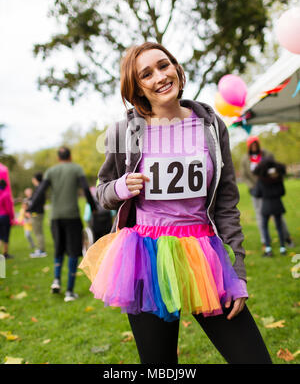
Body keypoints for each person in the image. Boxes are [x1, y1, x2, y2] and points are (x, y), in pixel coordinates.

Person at [79, 42, 272, 364]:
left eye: (164, 65)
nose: (160, 76)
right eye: (146, 74)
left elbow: (225, 200)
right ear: (137, 88)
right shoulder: (124, 132)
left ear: (177, 68)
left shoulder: (211, 125)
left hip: (203, 254)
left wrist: (237, 268)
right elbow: (101, 192)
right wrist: (121, 186)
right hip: (144, 256)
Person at [28, 146, 96, 302]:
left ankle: (56, 280)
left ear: (59, 158)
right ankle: (69, 292)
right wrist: (93, 207)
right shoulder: (77, 168)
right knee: (73, 252)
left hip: (55, 217)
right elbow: (86, 188)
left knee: (58, 249)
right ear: (70, 156)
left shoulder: (51, 171)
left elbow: (40, 190)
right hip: (72, 216)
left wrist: (31, 207)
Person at [241, 136, 293, 249]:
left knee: (277, 215)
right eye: (252, 145)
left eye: (256, 144)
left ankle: (286, 237)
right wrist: (253, 187)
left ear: (258, 145)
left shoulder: (267, 155)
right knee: (260, 216)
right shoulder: (245, 159)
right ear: (249, 147)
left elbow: (276, 170)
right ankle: (265, 241)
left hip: (269, 190)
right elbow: (244, 175)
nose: (254, 147)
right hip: (256, 191)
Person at [254, 158, 287, 257]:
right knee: (279, 227)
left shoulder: (261, 180)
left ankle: (268, 249)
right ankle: (282, 248)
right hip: (277, 204)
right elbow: (282, 192)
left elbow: (257, 193)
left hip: (266, 205)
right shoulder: (278, 178)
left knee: (264, 227)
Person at [29, 172, 47, 258]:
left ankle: (41, 250)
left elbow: (35, 201)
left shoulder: (39, 188)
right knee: (38, 231)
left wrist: (29, 209)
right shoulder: (40, 188)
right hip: (39, 212)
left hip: (36, 213)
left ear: (35, 179)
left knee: (38, 232)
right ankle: (40, 249)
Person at [0, 177, 15, 259]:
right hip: (4, 217)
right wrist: (12, 217)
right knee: (6, 235)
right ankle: (5, 253)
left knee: (0, 236)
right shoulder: (6, 194)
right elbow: (9, 208)